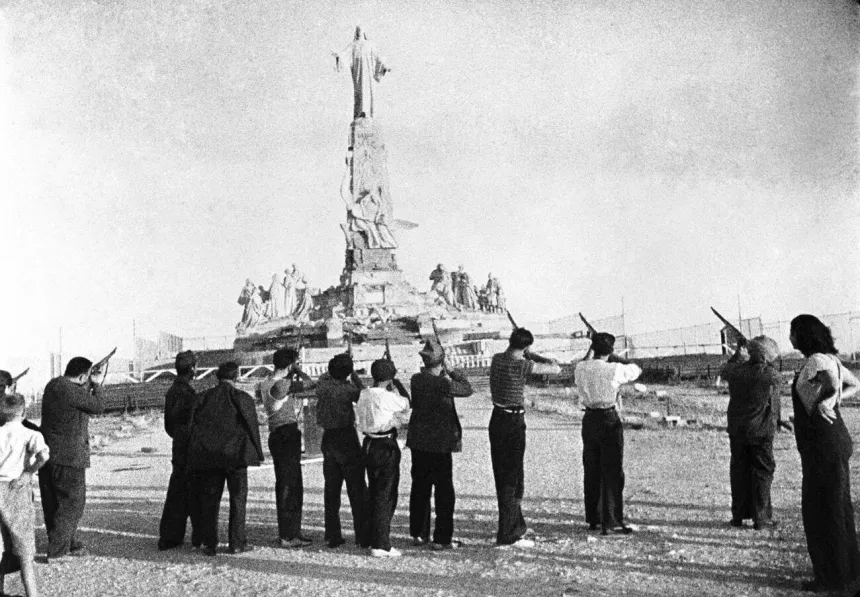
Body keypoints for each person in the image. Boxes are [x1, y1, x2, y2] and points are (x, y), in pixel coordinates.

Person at [789, 314, 860, 592]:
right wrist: (831, 401)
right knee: (838, 507)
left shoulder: (817, 361)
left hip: (823, 444)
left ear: (804, 335)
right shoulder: (831, 358)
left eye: (793, 331)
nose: (791, 337)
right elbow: (854, 384)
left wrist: (827, 401)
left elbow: (831, 383)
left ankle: (832, 577)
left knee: (821, 511)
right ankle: (849, 569)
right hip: (833, 440)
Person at [489, 328, 561, 547]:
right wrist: (539, 355)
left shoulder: (497, 359)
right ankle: (508, 533)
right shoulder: (522, 365)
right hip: (513, 422)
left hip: (498, 418)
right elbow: (556, 369)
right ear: (527, 347)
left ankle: (515, 525)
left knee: (505, 475)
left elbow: (513, 355)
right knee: (513, 477)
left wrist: (528, 352)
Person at [186, 362, 263, 556]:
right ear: (236, 377)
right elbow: (253, 427)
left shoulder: (202, 398)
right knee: (238, 500)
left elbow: (191, 428)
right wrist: (258, 453)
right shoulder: (243, 398)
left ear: (217, 377)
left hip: (210, 457)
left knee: (210, 500)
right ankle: (237, 543)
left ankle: (209, 543)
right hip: (236, 457)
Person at [407, 340, 473, 550]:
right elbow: (467, 389)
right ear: (441, 362)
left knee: (420, 488)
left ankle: (419, 533)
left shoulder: (416, 379)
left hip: (419, 441)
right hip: (440, 443)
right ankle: (442, 538)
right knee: (444, 492)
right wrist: (453, 372)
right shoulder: (442, 383)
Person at [38, 356, 105, 560]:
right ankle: (58, 551)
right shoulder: (72, 391)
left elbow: (77, 402)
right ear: (84, 376)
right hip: (69, 457)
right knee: (72, 504)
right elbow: (98, 407)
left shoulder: (54, 386)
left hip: (50, 454)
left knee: (55, 503)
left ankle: (64, 541)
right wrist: (98, 385)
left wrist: (87, 383)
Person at [574, 332, 641, 535]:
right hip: (608, 418)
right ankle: (611, 519)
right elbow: (636, 369)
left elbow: (586, 362)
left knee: (592, 468)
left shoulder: (580, 367)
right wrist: (617, 357)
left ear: (592, 348)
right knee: (611, 470)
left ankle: (594, 517)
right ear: (610, 351)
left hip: (589, 419)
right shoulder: (614, 369)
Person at [720, 336, 788, 530]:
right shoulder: (770, 374)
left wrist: (738, 353)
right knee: (762, 471)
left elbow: (725, 370)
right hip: (761, 432)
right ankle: (761, 518)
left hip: (737, 430)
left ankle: (738, 516)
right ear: (767, 356)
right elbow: (776, 376)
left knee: (739, 470)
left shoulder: (736, 371)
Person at [256, 348, 314, 548]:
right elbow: (311, 383)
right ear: (289, 364)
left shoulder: (266, 382)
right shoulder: (282, 385)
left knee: (286, 483)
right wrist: (297, 370)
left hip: (278, 434)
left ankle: (289, 532)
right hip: (286, 434)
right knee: (291, 485)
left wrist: (292, 368)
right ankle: (289, 535)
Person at [355, 359, 411, 557]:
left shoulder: (364, 394)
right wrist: (397, 386)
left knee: (374, 492)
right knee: (385, 496)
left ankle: (372, 537)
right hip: (385, 445)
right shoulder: (387, 398)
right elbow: (406, 403)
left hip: (369, 444)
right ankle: (381, 543)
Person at [315, 354, 369, 548]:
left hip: (328, 438)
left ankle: (332, 535)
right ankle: (363, 535)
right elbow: (365, 396)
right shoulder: (348, 390)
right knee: (357, 489)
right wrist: (354, 374)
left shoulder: (322, 386)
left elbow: (325, 376)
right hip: (346, 437)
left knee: (332, 490)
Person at [0, 393, 49, 597]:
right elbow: (43, 456)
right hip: (18, 488)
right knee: (24, 546)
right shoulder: (31, 434)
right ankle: (32, 594)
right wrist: (28, 473)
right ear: (24, 413)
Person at [157, 351, 200, 550]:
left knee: (178, 491)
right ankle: (187, 536)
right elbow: (190, 424)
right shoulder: (186, 393)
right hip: (188, 448)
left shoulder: (174, 390)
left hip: (179, 446)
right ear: (192, 368)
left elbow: (169, 426)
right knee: (189, 491)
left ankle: (171, 535)